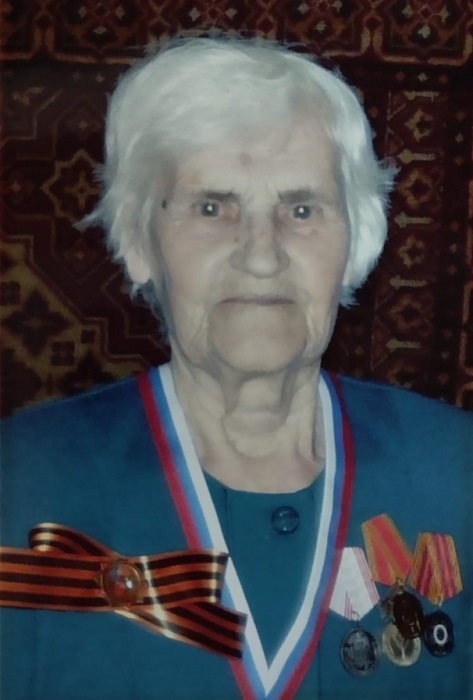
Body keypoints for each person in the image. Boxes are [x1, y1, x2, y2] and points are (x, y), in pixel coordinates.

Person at [1, 37, 472, 700]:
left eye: (301, 209)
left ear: (356, 240)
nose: (261, 255)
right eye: (212, 207)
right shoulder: (21, 480)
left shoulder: (456, 466)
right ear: (138, 240)